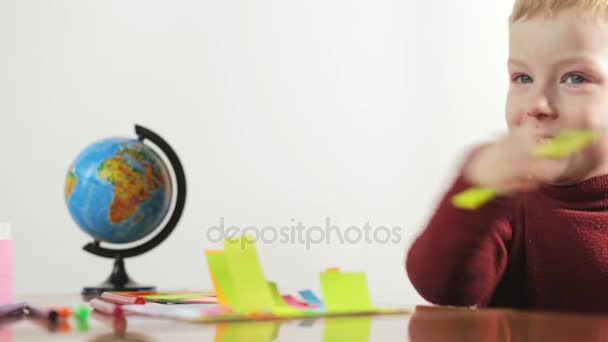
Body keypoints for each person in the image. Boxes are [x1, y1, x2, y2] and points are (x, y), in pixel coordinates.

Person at [406, 0, 608, 313]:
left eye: (576, 78)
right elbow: (442, 287)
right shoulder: (508, 198)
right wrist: (476, 186)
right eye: (522, 78)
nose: (537, 105)